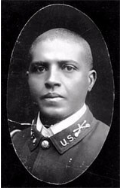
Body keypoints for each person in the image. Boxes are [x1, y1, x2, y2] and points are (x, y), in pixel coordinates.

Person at [9, 28, 109, 184]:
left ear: (90, 81)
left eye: (68, 68)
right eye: (40, 69)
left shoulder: (109, 144)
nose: (51, 80)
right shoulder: (14, 142)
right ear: (28, 79)